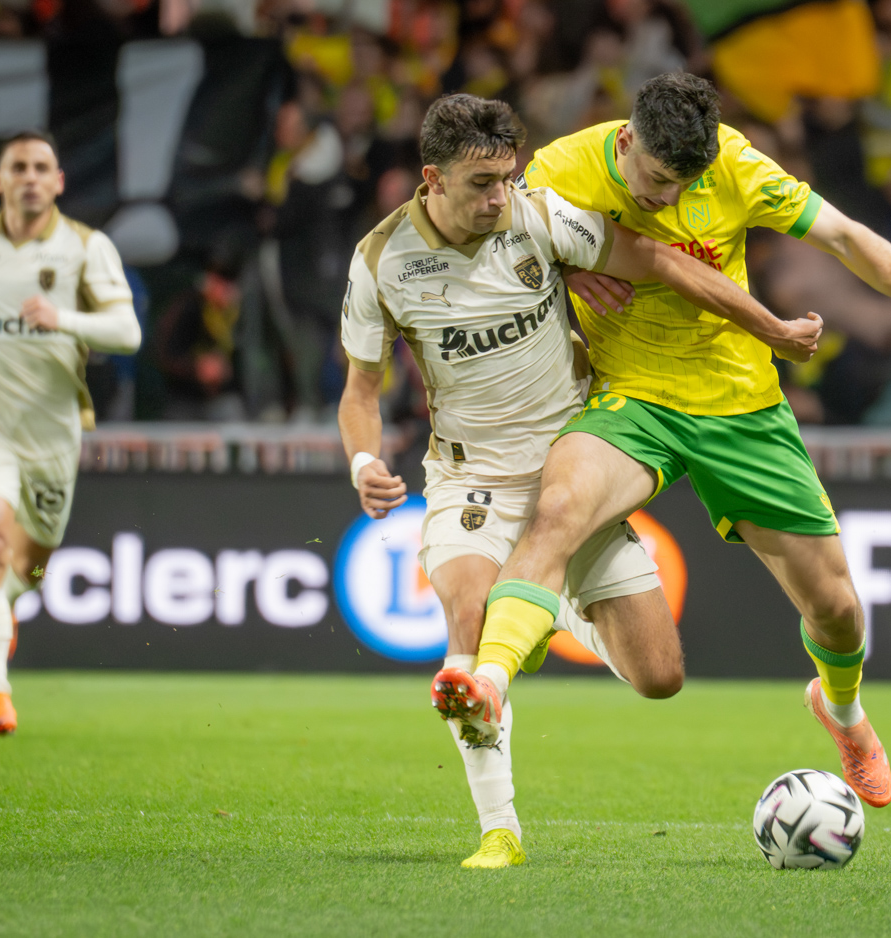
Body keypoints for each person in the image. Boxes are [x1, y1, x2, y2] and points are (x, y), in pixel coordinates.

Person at [437, 73, 891, 813]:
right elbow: (496, 246)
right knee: (559, 508)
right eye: (656, 179)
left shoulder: (735, 163)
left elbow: (841, 235)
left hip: (740, 406)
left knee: (836, 609)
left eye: (683, 185)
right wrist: (564, 272)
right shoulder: (562, 168)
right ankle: (488, 681)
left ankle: (842, 710)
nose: (667, 198)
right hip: (633, 395)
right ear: (627, 140)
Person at [336, 94, 820, 869]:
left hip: (571, 470)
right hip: (471, 479)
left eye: (507, 178)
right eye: (481, 183)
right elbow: (361, 392)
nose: (499, 197)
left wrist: (771, 328)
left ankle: (541, 607)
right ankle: (500, 829)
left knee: (660, 677)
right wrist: (365, 462)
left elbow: (658, 260)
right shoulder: (380, 262)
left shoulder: (536, 217)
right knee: (470, 624)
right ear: (433, 179)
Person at [0, 131, 141, 738]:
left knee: (34, 566)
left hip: (53, 431)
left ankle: (9, 600)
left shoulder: (85, 247)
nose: (31, 178)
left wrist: (61, 318)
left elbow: (128, 333)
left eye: (42, 168)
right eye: (19, 167)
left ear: (59, 181)